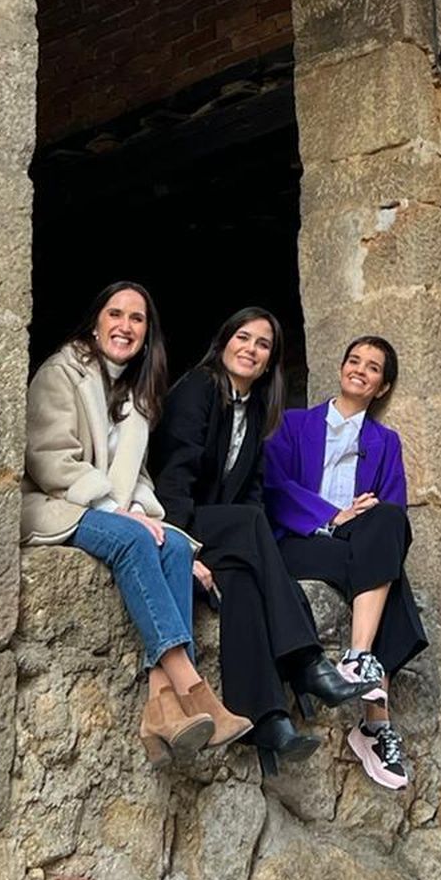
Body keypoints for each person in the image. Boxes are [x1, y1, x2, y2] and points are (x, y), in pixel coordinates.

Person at [22, 280, 251, 766]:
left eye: (137, 319)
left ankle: (159, 706)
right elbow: (49, 460)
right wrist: (120, 513)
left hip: (110, 510)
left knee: (171, 545)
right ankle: (192, 687)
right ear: (96, 321)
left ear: (147, 335)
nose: (125, 326)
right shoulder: (61, 373)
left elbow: (140, 477)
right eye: (116, 314)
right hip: (55, 503)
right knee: (133, 540)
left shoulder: (135, 391)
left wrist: (156, 523)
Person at [150, 306, 373, 776]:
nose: (251, 349)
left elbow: (251, 492)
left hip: (223, 536)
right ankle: (307, 661)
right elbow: (173, 481)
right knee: (251, 525)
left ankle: (267, 720)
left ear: (271, 360)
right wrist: (184, 549)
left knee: (246, 585)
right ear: (225, 341)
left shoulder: (255, 411)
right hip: (178, 527)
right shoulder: (198, 390)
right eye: (243, 338)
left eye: (263, 344)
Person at [264, 335, 426, 790]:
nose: (360, 369)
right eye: (354, 360)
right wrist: (331, 516)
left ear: (382, 386)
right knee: (386, 576)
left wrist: (363, 519)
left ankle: (358, 658)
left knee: (388, 525)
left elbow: (390, 516)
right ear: (340, 368)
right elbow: (273, 487)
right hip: (299, 541)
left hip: (353, 546)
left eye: (372, 367)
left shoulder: (385, 442)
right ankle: (376, 724)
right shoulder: (293, 424)